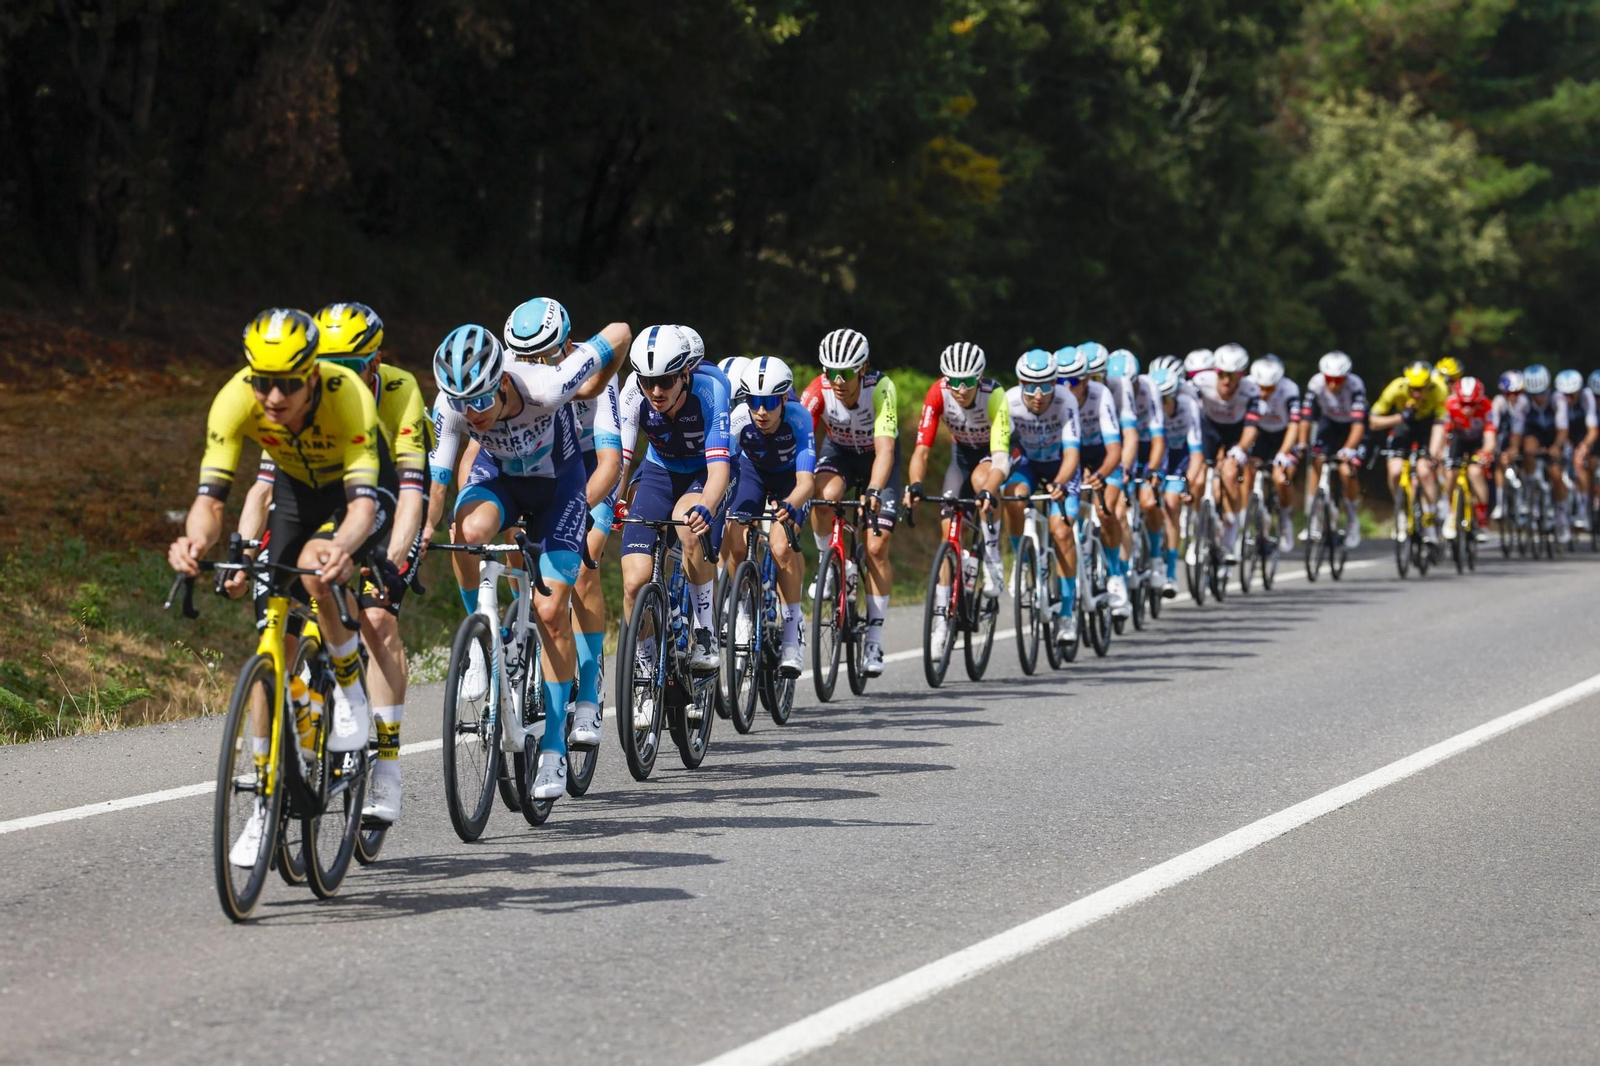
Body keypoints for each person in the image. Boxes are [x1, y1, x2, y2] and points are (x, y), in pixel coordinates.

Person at [169, 308, 381, 864]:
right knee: (273, 650)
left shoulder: (348, 395)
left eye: (288, 383)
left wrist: (343, 548)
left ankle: (350, 685)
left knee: (316, 568)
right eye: (263, 382)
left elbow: (363, 505)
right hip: (293, 491)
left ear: (313, 376)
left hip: (349, 494)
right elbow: (210, 502)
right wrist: (196, 545)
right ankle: (265, 803)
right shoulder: (236, 399)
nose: (273, 397)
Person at [427, 320, 628, 800]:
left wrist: (596, 384)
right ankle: (481, 636)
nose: (471, 413)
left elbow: (619, 333)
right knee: (464, 531)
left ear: (500, 381)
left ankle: (555, 747)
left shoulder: (547, 384)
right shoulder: (453, 404)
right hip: (500, 479)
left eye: (479, 401)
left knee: (551, 611)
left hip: (559, 488)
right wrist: (415, 539)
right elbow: (437, 487)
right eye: (460, 402)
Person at [502, 297, 624, 747]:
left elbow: (611, 462)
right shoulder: (512, 380)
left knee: (585, 560)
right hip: (543, 468)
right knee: (518, 551)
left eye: (544, 356)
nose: (535, 366)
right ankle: (521, 634)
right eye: (524, 357)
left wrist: (576, 514)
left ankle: (589, 693)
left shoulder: (591, 379)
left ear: (568, 347)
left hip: (592, 469)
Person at [616, 324, 732, 701]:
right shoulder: (634, 393)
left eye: (665, 381)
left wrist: (706, 506)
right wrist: (611, 505)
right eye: (648, 381)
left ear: (685, 374)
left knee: (687, 524)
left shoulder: (711, 390)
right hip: (659, 472)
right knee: (634, 582)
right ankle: (648, 671)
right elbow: (620, 461)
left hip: (702, 473)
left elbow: (719, 470)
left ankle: (704, 631)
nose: (656, 391)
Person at [801, 328, 900, 676]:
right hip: (840, 452)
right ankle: (827, 562)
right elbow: (799, 440)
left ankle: (874, 637)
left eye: (847, 372)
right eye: (830, 372)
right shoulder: (818, 391)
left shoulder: (882, 388)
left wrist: (873, 489)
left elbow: (886, 448)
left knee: (876, 547)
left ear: (864, 368)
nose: (838, 380)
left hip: (877, 456)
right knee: (823, 498)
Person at [725, 357, 814, 676]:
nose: (761, 411)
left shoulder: (799, 418)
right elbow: (723, 468)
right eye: (754, 401)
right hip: (752, 472)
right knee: (735, 535)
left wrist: (789, 504)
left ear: (785, 398)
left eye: (770, 402)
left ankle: (793, 633)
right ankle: (745, 612)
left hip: (791, 479)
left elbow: (807, 482)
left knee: (780, 547)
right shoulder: (738, 419)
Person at [905, 342, 1010, 603]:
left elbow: (1001, 458)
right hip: (960, 457)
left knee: (981, 482)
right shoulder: (938, 393)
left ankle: (993, 556)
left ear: (980, 377)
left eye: (968, 381)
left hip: (991, 454)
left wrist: (989, 489)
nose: (961, 389)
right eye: (954, 381)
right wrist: (915, 483)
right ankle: (942, 613)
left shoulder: (994, 395)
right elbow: (922, 450)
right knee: (948, 531)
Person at [999, 348, 1082, 646]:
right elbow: (1000, 449)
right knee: (1013, 499)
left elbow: (1073, 452)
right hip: (1027, 466)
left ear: (1056, 383)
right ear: (1020, 382)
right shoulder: (1008, 401)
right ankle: (1021, 560)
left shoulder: (1066, 400)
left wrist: (1060, 483)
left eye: (1046, 385)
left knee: (1062, 532)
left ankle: (1067, 613)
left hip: (1061, 466)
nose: (1038, 393)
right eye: (1030, 385)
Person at [1057, 343, 1125, 608]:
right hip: (1068, 454)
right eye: (1059, 381)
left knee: (1106, 510)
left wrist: (1101, 474)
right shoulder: (1056, 398)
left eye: (1072, 381)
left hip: (1100, 455)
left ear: (1085, 380)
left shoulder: (1101, 394)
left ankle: (1116, 574)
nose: (1066, 387)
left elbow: (1115, 448)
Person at [1103, 349, 1163, 612]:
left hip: (1143, 441)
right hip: (1110, 445)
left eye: (1134, 382)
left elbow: (1155, 438)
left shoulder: (1149, 389)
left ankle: (1144, 562)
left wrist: (1132, 469)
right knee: (1114, 510)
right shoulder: (1107, 389)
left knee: (1132, 506)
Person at [1191, 343, 1261, 563]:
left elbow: (1251, 428)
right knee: (1197, 478)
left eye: (1233, 376)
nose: (1226, 381)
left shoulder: (1251, 390)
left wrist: (1240, 449)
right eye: (1221, 374)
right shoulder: (1200, 382)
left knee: (1230, 473)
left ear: (1242, 376)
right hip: (1209, 429)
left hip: (1236, 431)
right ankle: (1197, 533)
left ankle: (1231, 533)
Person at [1369, 360, 1448, 546]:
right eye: (1413, 389)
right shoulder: (1395, 388)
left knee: (1424, 470)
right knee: (1395, 470)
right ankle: (1401, 512)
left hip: (1428, 428)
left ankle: (1430, 516)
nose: (1417, 393)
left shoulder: (1439, 389)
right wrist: (1399, 417)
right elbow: (1372, 421)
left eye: (1421, 389)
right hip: (1402, 426)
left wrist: (1434, 451)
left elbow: (1440, 423)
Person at [1147, 359, 1205, 596]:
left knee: (1171, 502)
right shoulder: (1147, 408)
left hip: (1180, 458)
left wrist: (1188, 486)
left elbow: (1197, 454)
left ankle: (1171, 573)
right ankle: (1149, 556)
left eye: (1166, 400)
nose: (1162, 406)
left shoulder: (1188, 406)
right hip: (1155, 456)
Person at [1299, 350, 1369, 548]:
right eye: (1329, 379)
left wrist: (1348, 449)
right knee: (1317, 460)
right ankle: (1314, 518)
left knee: (1347, 471)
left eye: (1338, 380)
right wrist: (1303, 443)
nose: (1333, 384)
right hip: (1329, 424)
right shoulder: (1315, 383)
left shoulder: (1355, 386)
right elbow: (1306, 418)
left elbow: (1358, 425)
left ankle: (1352, 518)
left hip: (1352, 428)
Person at [1246, 354, 1301, 552]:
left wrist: (1283, 453)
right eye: (1260, 387)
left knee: (1281, 478)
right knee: (1248, 471)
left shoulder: (1289, 389)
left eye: (1269, 388)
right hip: (1260, 435)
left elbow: (1295, 425)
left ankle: (1285, 518)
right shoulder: (1247, 385)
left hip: (1284, 436)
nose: (1263, 392)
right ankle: (1256, 516)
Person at [1507, 363, 1570, 538]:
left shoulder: (1558, 399)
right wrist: (1513, 447)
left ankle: (1561, 516)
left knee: (1556, 474)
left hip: (1554, 436)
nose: (1539, 398)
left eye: (1542, 393)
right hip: (1534, 435)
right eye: (1535, 394)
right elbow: (1517, 431)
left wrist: (1557, 446)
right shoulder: (1523, 401)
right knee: (1528, 448)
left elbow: (1563, 429)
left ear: (1548, 387)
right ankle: (1530, 490)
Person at [1442, 375, 1496, 539]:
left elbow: (1490, 436)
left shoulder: (1487, 406)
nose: (1467, 409)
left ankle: (1481, 520)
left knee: (1475, 472)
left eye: (1472, 404)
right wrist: (1440, 452)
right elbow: (1442, 433)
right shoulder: (1449, 405)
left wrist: (1486, 452)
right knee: (1451, 473)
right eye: (1463, 404)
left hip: (1477, 441)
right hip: (1458, 439)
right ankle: (1451, 513)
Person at [1555, 369, 1597, 532]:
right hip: (1564, 436)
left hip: (1584, 435)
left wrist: (1584, 446)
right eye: (1565, 394)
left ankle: (1583, 508)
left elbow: (1593, 429)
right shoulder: (1557, 399)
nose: (1568, 398)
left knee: (1581, 463)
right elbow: (1559, 428)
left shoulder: (1587, 397)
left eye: (1571, 394)